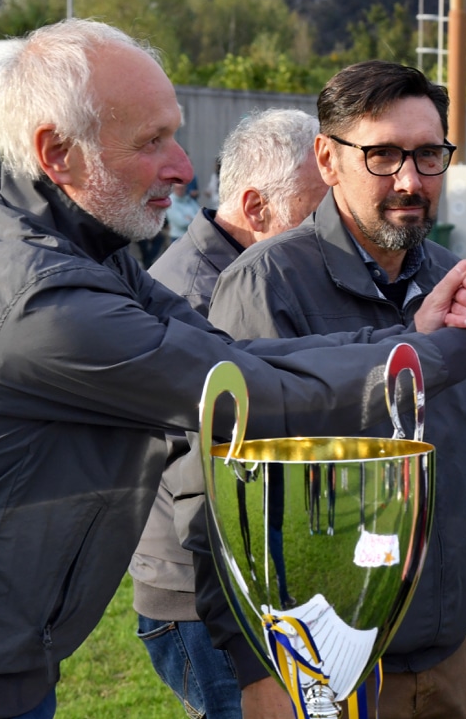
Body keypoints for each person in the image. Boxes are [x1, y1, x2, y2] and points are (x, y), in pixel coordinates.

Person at [0, 19, 466, 719]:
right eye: (152, 141)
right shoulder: (42, 299)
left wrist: (415, 339)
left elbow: (235, 358)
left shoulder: (69, 246)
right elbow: (250, 395)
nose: (182, 167)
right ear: (58, 153)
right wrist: (460, 348)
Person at [210, 61, 466, 719]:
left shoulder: (455, 282)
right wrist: (261, 668)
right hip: (318, 668)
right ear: (327, 159)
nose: (410, 180)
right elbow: (218, 502)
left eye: (428, 154)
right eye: (382, 155)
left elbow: (465, 464)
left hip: (444, 658)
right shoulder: (266, 285)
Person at [130, 107, 328, 719]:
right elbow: (207, 476)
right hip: (203, 602)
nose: (328, 231)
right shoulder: (196, 295)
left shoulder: (265, 275)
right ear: (256, 207)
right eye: (316, 214)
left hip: (254, 581)